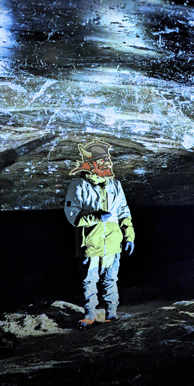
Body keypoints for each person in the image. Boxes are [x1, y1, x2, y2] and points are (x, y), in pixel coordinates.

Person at [64, 139, 135, 330]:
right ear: (90, 164)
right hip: (90, 244)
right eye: (103, 162)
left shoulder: (115, 185)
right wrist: (96, 216)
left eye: (108, 161)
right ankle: (90, 315)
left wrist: (129, 236)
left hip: (112, 243)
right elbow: (72, 216)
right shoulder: (78, 186)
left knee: (111, 279)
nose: (108, 165)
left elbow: (123, 211)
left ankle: (111, 313)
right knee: (89, 280)